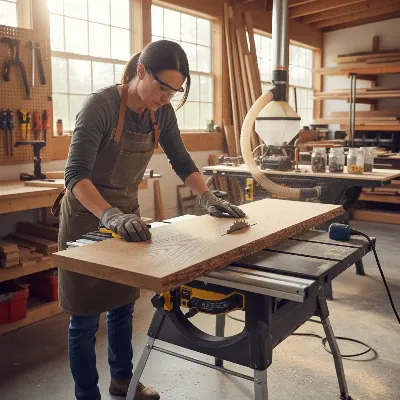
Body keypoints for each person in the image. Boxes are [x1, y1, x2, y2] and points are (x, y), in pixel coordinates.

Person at [55, 39, 246, 400]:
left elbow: (182, 161)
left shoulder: (162, 114)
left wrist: (206, 197)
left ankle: (123, 381)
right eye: (162, 86)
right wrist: (108, 215)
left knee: (123, 306)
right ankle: (86, 394)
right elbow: (75, 175)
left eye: (175, 90)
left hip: (128, 217)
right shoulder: (101, 106)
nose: (167, 96)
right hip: (86, 216)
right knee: (83, 318)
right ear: (141, 71)